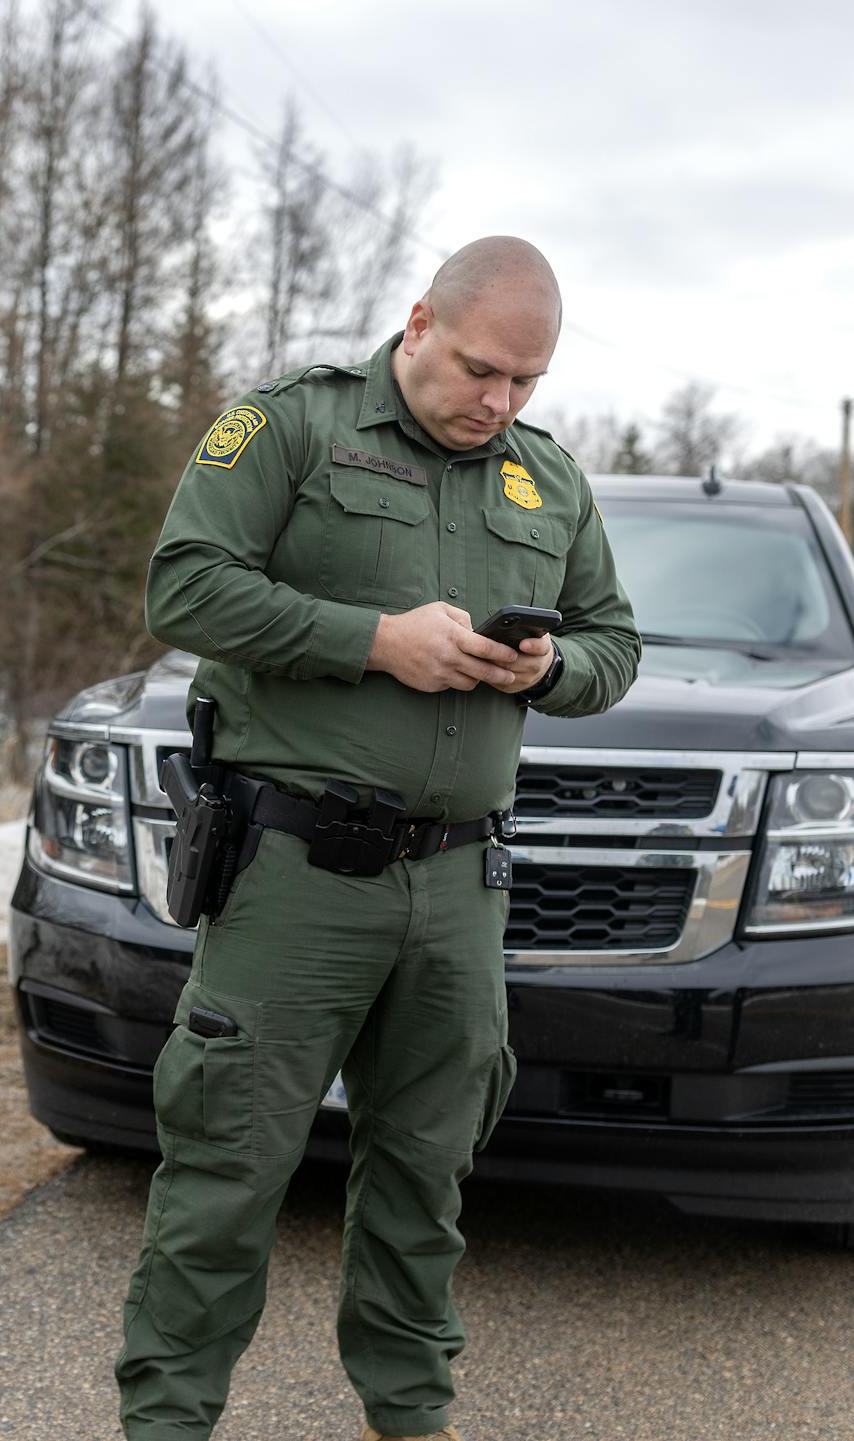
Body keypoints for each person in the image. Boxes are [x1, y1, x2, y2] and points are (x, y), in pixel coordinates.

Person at [118, 237, 641, 1441]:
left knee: (426, 1177)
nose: (497, 403)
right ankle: (167, 1422)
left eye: (525, 382)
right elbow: (184, 588)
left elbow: (616, 642)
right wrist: (373, 640)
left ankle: (409, 1414)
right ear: (416, 324)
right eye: (478, 370)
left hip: (460, 885)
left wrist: (551, 664)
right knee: (227, 1170)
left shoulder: (547, 482)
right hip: (297, 875)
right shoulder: (294, 428)